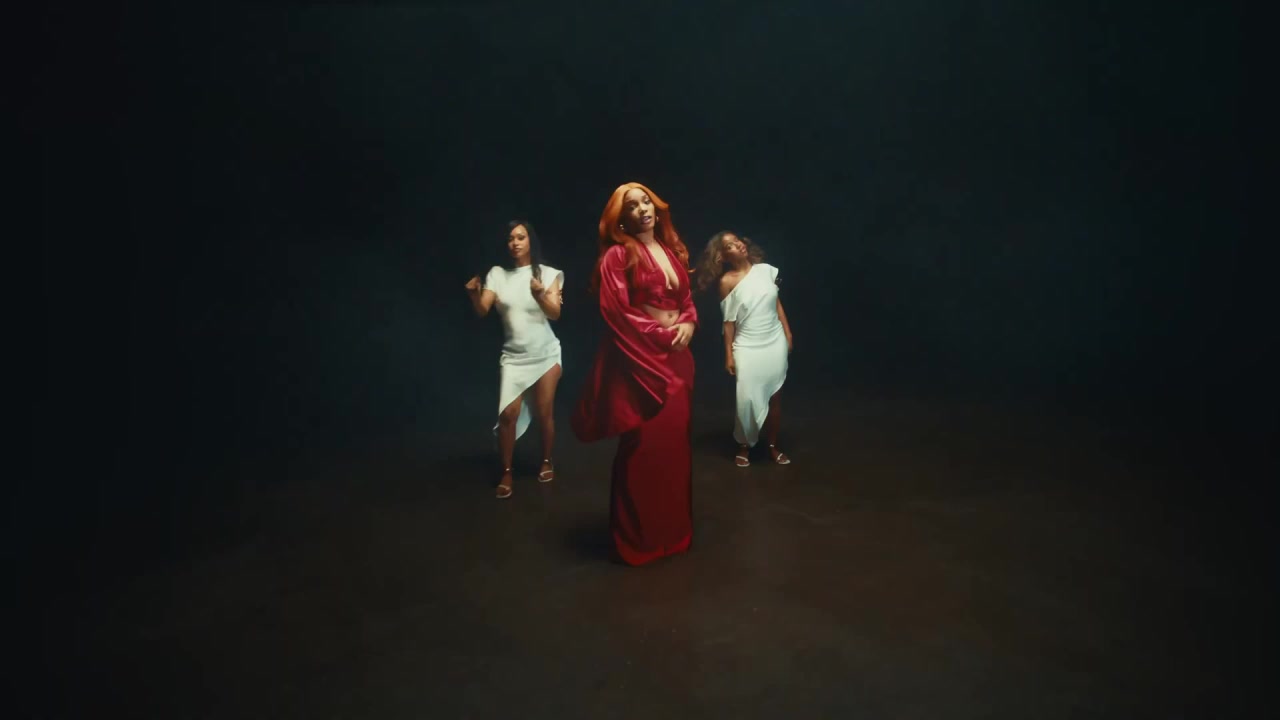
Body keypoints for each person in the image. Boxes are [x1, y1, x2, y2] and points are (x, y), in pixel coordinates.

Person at [571, 182, 697, 566]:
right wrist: (662, 334)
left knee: (674, 448)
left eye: (646, 202)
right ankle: (638, 540)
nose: (643, 209)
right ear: (621, 218)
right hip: (641, 361)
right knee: (643, 448)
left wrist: (688, 322)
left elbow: (686, 300)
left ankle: (673, 534)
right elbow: (617, 312)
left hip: (678, 360)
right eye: (633, 206)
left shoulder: (670, 251)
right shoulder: (616, 256)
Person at [464, 220, 564, 498]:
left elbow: (555, 313)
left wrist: (539, 295)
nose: (515, 242)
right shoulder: (497, 275)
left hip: (545, 353)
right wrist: (473, 294)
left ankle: (546, 460)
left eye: (521, 237)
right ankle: (506, 471)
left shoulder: (548, 274)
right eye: (510, 238)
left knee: (544, 411)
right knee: (508, 414)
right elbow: (483, 309)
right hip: (513, 357)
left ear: (530, 240)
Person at [695, 231, 793, 467]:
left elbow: (777, 303)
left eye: (737, 240)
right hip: (747, 345)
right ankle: (744, 445)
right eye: (730, 245)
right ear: (722, 256)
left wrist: (788, 333)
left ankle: (772, 446)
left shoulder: (766, 271)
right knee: (746, 400)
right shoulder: (727, 282)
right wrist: (729, 355)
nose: (737, 244)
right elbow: (728, 323)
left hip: (774, 341)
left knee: (775, 398)